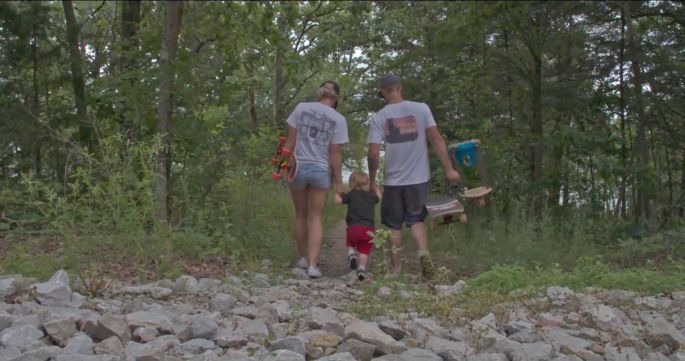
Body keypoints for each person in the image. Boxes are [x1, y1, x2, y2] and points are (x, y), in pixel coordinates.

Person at [367, 74, 460, 279]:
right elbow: (436, 139)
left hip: (393, 180)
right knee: (416, 219)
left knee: (393, 225)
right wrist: (449, 170)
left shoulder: (378, 117)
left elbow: (373, 154)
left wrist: (372, 182)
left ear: (382, 92)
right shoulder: (421, 108)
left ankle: (396, 269)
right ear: (400, 87)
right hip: (418, 178)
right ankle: (423, 253)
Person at [284, 81, 348, 278]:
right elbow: (334, 154)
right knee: (316, 217)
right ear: (336, 98)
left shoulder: (301, 108)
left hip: (298, 167)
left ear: (319, 93)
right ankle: (313, 266)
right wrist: (338, 181)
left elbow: (289, 143)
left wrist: (284, 166)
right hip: (321, 170)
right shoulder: (338, 119)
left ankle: (302, 258)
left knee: (300, 214)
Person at [334, 170, 381, 281]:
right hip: (368, 229)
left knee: (350, 242)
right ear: (366, 183)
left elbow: (337, 201)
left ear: (352, 184)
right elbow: (379, 198)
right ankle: (361, 269)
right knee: (364, 250)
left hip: (353, 227)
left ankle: (351, 254)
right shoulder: (371, 196)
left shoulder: (351, 195)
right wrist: (377, 189)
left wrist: (338, 192)